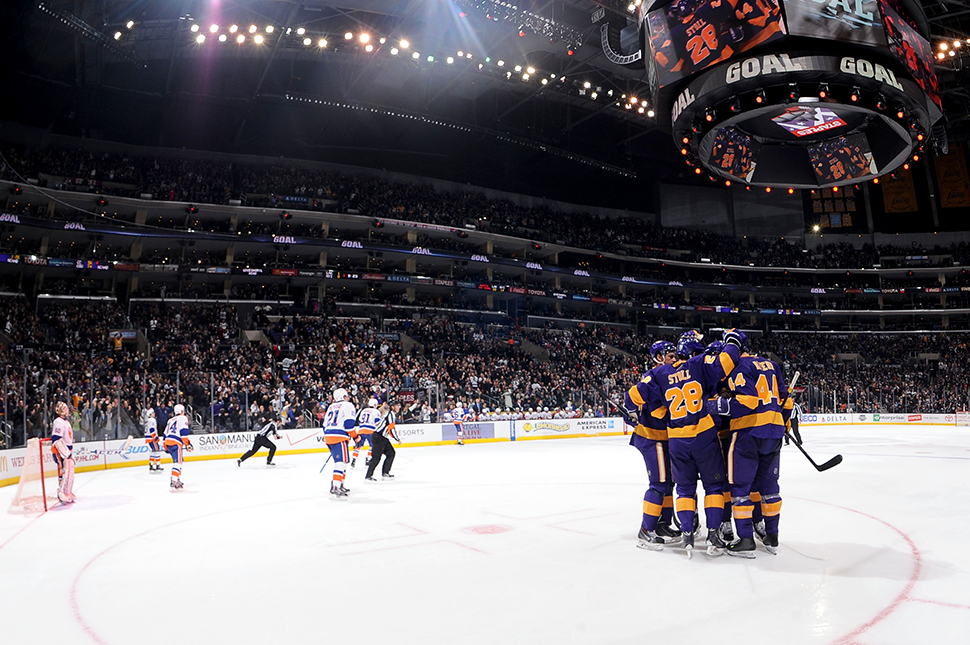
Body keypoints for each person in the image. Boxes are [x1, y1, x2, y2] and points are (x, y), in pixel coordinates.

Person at [643, 329, 743, 558]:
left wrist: (636, 411)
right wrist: (734, 340)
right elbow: (726, 361)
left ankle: (687, 532)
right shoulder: (699, 364)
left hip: (677, 440)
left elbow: (641, 398)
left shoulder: (661, 373)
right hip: (704, 436)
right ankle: (714, 533)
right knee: (715, 487)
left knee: (685, 489)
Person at [723, 338, 792, 557]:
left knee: (741, 487)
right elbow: (786, 401)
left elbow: (748, 401)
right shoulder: (771, 365)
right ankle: (772, 535)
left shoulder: (740, 367)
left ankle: (745, 539)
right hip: (774, 432)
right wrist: (784, 421)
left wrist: (718, 406)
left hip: (748, 432)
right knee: (770, 486)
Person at [623, 340, 681, 550]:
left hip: (665, 437)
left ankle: (663, 523)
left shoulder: (671, 375)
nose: (675, 359)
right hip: (652, 437)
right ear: (658, 357)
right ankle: (646, 530)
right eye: (671, 356)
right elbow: (631, 398)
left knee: (669, 484)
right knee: (659, 483)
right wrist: (632, 411)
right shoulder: (653, 376)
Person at [323, 388, 359, 499]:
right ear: (344, 396)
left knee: (343, 462)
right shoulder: (348, 405)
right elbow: (349, 425)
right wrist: (356, 437)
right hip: (339, 436)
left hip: (329, 435)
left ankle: (340, 484)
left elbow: (324, 425)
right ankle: (336, 487)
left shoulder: (331, 406)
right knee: (341, 462)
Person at [365, 400, 402, 481]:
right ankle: (368, 476)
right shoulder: (391, 414)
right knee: (376, 458)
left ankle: (385, 472)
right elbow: (391, 429)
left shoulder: (390, 414)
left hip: (382, 437)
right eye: (397, 405)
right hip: (379, 437)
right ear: (393, 407)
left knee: (391, 453)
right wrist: (397, 439)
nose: (399, 407)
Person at [163, 403, 193, 490]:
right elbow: (183, 433)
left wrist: (165, 446)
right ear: (182, 411)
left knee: (179, 461)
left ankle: (176, 478)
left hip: (168, 443)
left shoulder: (170, 420)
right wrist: (187, 444)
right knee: (178, 463)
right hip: (176, 443)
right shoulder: (183, 418)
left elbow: (165, 434)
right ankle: (174, 480)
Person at [51, 401, 76, 503]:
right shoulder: (58, 422)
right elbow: (57, 439)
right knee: (64, 472)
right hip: (61, 452)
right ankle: (61, 492)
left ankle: (67, 491)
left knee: (70, 472)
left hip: (67, 451)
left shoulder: (66, 422)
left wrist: (70, 453)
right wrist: (66, 453)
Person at [352, 398, 381, 468]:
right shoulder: (376, 411)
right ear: (374, 405)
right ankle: (368, 459)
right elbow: (377, 422)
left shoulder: (364, 410)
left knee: (358, 446)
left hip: (361, 430)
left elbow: (359, 421)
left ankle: (354, 459)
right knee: (372, 446)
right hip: (370, 431)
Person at [144, 408, 163, 473]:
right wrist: (155, 437)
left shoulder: (148, 420)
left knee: (153, 451)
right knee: (157, 450)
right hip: (152, 438)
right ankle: (157, 465)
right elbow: (152, 429)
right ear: (150, 414)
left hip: (148, 438)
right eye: (153, 413)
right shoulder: (152, 420)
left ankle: (151, 464)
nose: (154, 414)